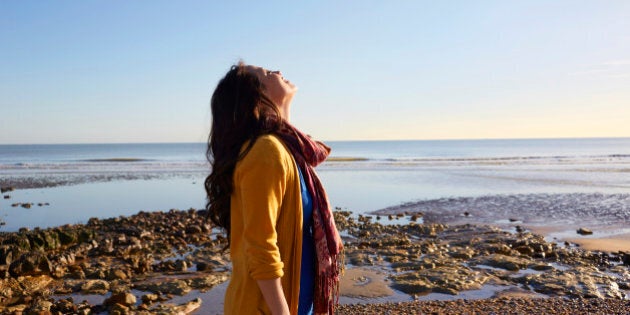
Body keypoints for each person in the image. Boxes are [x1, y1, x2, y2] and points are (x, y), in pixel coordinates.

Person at [204, 62, 344, 315]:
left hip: (293, 301)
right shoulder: (265, 151)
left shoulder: (287, 151)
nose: (278, 71)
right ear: (257, 98)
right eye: (268, 74)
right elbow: (261, 245)